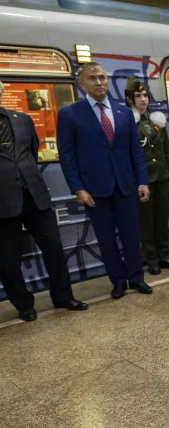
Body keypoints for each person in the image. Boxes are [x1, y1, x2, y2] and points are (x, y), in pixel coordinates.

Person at [57, 62, 153, 300]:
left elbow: (135, 151)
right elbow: (67, 156)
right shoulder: (70, 114)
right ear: (82, 84)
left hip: (126, 186)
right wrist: (78, 188)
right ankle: (118, 281)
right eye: (92, 78)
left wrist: (142, 181)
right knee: (106, 238)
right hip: (94, 190)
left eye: (102, 77)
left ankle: (136, 278)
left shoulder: (123, 112)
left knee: (132, 236)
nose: (99, 82)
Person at [0, 82, 88, 320]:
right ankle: (24, 304)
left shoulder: (22, 119)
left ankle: (63, 297)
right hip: (2, 203)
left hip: (35, 196)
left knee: (54, 249)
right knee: (7, 260)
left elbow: (31, 152)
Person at [125, 78, 169, 275]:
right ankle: (151, 258)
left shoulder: (157, 121)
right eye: (138, 96)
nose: (143, 99)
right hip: (143, 181)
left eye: (145, 95)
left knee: (161, 219)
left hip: (161, 178)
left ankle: (164, 255)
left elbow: (167, 151)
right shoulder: (129, 123)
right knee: (146, 222)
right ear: (130, 99)